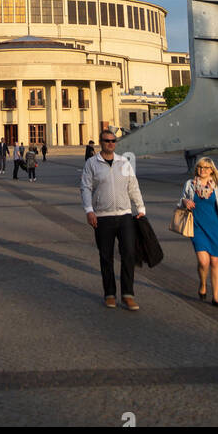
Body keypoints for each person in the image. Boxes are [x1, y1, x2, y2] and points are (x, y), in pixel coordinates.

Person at [80, 130, 146, 310]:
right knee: (106, 257)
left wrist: (140, 207)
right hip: (102, 216)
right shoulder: (92, 163)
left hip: (124, 214)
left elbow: (133, 186)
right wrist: (89, 210)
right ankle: (109, 293)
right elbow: (86, 188)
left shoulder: (124, 161)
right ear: (100, 142)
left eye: (113, 141)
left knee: (129, 254)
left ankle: (127, 294)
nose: (110, 143)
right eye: (107, 140)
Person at [179, 156, 218, 305]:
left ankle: (216, 296)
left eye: (206, 168)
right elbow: (181, 201)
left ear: (212, 170)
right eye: (200, 167)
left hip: (217, 228)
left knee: (215, 262)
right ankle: (203, 284)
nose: (202, 170)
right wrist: (184, 201)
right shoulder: (190, 184)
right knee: (203, 262)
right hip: (197, 227)